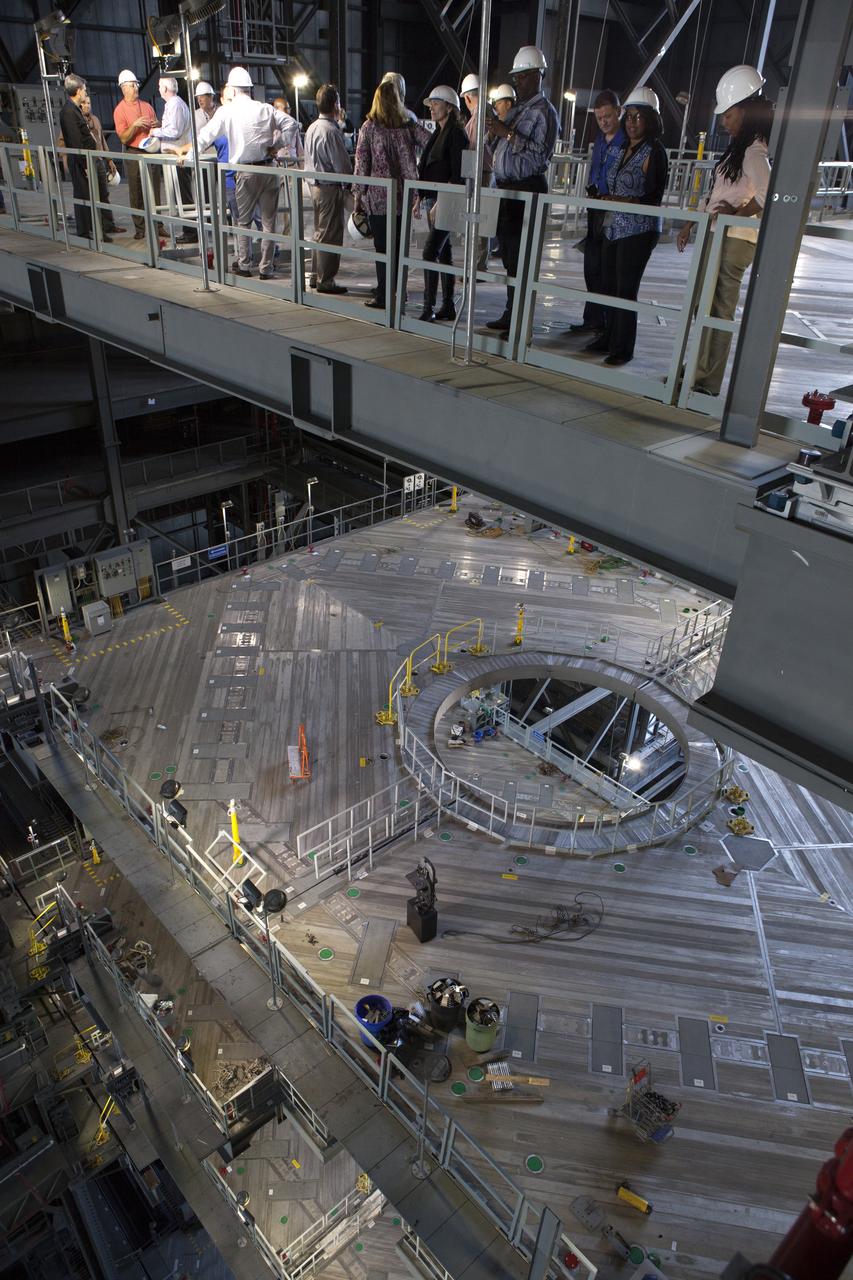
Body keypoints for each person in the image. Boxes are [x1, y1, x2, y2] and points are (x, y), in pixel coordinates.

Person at [677, 64, 773, 397]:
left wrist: (737, 213)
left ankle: (706, 381)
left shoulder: (753, 152)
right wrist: (692, 222)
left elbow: (766, 192)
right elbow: (717, 195)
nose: (723, 121)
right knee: (707, 306)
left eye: (728, 115)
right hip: (720, 235)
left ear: (744, 111)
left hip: (734, 239)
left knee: (719, 309)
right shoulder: (740, 149)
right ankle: (697, 372)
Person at [182, 66, 292, 280]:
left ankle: (244, 264)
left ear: (232, 90)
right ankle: (266, 268)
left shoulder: (227, 111)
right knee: (269, 223)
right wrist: (278, 144)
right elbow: (291, 124)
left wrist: (189, 158)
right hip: (269, 169)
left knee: (243, 221)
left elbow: (206, 135)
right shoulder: (264, 108)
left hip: (245, 172)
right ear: (249, 88)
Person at [586, 87, 668, 367]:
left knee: (625, 287)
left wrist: (624, 199)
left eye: (638, 117)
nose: (632, 122)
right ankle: (608, 337)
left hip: (638, 229)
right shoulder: (622, 147)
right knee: (608, 284)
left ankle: (623, 347)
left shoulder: (654, 151)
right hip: (613, 226)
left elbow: (654, 196)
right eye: (629, 116)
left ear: (650, 120)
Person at [486, 46, 559, 332]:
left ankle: (519, 320)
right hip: (507, 190)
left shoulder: (544, 113)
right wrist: (497, 134)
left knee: (522, 260)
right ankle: (511, 313)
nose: (518, 81)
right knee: (510, 259)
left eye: (524, 76)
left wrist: (507, 133)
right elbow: (501, 147)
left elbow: (539, 156)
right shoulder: (518, 110)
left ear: (538, 76)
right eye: (517, 76)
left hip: (527, 189)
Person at [354, 79, 429, 308]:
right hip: (403, 198)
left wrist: (358, 198)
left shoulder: (369, 127)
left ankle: (385, 296)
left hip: (377, 201)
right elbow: (431, 142)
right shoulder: (407, 125)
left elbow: (362, 164)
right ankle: (399, 293)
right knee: (399, 249)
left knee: (382, 249)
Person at [567, 89, 626, 337]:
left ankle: (604, 323)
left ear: (618, 113)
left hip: (613, 213)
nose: (604, 122)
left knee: (606, 270)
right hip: (596, 208)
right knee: (591, 267)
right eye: (600, 117)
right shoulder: (601, 141)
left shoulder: (626, 141)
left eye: (608, 117)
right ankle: (592, 318)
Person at [417, 86, 467, 322]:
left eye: (436, 103)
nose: (432, 108)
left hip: (444, 200)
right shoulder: (439, 132)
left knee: (430, 251)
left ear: (449, 107)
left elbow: (458, 174)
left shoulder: (456, 134)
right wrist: (420, 196)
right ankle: (447, 305)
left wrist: (443, 202)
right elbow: (428, 166)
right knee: (444, 253)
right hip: (433, 199)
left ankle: (429, 307)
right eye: (431, 104)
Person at [303, 83, 352, 294]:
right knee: (330, 235)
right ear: (335, 104)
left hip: (314, 187)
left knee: (319, 233)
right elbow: (342, 166)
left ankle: (316, 275)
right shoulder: (332, 130)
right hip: (330, 189)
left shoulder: (312, 127)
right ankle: (326, 280)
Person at [59, 74, 111, 241]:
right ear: (78, 90)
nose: (85, 93)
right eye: (84, 90)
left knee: (89, 195)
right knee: (83, 195)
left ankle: (91, 230)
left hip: (86, 159)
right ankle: (85, 232)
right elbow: (75, 142)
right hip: (81, 161)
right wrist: (86, 165)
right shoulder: (69, 112)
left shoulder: (74, 110)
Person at [113, 69, 160, 239]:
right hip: (133, 152)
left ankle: (158, 224)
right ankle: (140, 228)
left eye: (136, 85)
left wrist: (157, 124)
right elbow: (124, 138)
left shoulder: (147, 106)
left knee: (155, 190)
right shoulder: (120, 111)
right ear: (124, 88)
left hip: (150, 150)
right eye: (133, 86)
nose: (136, 88)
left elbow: (157, 127)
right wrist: (135, 125)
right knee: (136, 191)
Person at [150, 76, 196, 243]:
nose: (158, 89)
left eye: (160, 86)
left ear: (165, 89)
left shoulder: (175, 104)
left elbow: (174, 131)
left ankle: (191, 232)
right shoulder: (173, 104)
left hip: (179, 156)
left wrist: (156, 132)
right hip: (175, 155)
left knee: (183, 195)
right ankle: (188, 230)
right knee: (180, 195)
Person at [460, 73, 493, 270]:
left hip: (480, 175)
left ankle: (478, 267)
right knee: (480, 222)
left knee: (478, 222)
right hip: (485, 173)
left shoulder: (478, 117)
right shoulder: (487, 113)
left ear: (467, 97)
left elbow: (472, 150)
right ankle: (478, 264)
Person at [80, 91, 124, 235]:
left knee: (104, 194)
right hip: (86, 162)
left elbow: (102, 140)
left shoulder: (96, 120)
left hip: (99, 161)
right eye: (84, 103)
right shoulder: (77, 121)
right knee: (90, 195)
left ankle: (108, 225)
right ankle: (94, 227)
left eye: (88, 103)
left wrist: (109, 159)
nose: (87, 106)